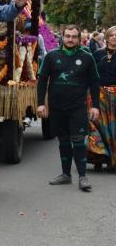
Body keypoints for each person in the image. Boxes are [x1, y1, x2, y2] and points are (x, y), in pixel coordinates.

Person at [37, 25, 100, 192]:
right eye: (67, 36)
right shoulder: (51, 56)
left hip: (78, 107)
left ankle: (82, 176)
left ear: (79, 39)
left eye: (74, 36)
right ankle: (66, 175)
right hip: (57, 107)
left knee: (79, 141)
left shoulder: (87, 57)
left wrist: (95, 106)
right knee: (63, 141)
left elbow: (95, 83)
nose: (70, 39)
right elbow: (42, 80)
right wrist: (41, 103)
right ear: (62, 38)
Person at [87, 25, 116, 169]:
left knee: (113, 128)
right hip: (99, 95)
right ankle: (98, 157)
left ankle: (113, 160)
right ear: (107, 37)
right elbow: (90, 75)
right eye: (112, 35)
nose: (114, 38)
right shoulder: (97, 54)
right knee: (98, 126)